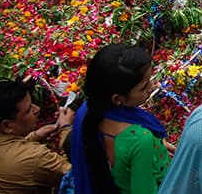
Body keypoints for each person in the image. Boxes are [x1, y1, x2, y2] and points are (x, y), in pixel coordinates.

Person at [70, 44, 172, 194]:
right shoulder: (140, 140)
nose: (152, 87)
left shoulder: (87, 112)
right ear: (117, 99)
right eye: (144, 87)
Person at [0, 80, 73, 193]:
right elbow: (78, 176)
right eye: (28, 110)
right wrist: (66, 130)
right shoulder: (36, 158)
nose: (37, 109)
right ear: (6, 126)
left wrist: (33, 136)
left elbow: (5, 152)